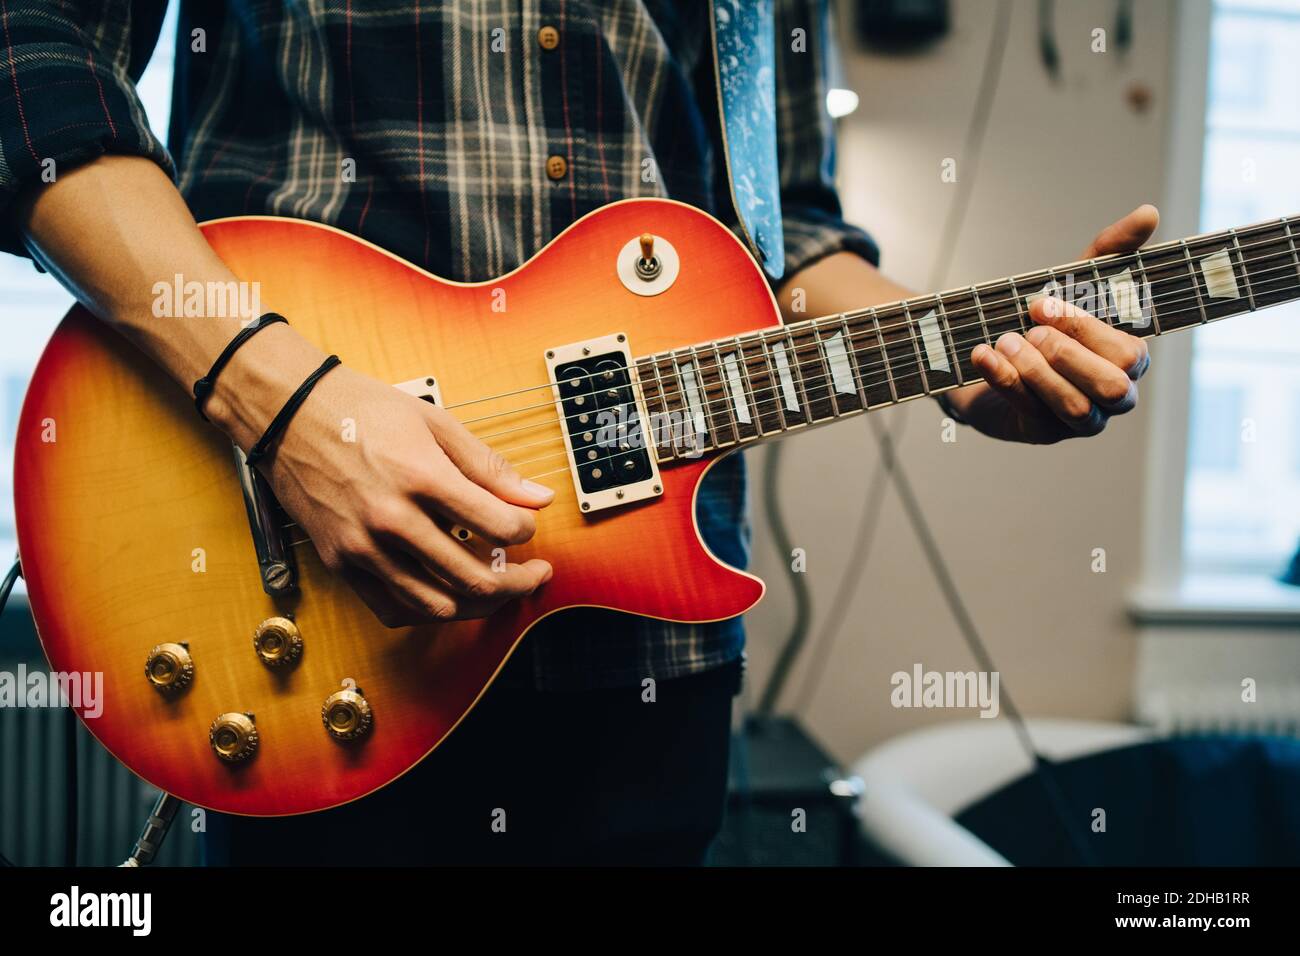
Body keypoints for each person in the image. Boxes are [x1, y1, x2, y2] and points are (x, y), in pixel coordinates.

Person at [0, 1, 1149, 864]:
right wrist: (284, 402)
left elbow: (783, 233)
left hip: (647, 662)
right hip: (317, 600)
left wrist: (964, 355)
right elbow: (32, 46)